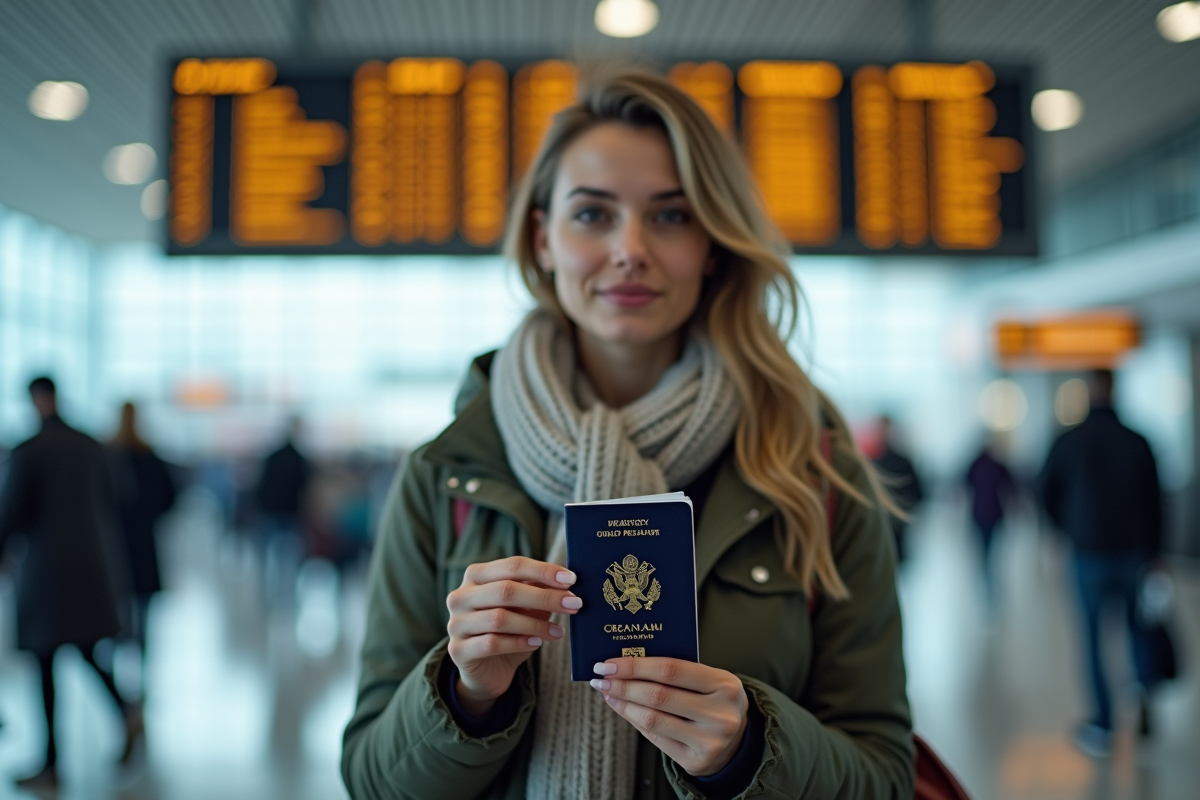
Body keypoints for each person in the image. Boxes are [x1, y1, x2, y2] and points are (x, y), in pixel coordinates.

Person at [341, 70, 913, 800]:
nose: (630, 249)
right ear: (543, 238)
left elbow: (885, 779)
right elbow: (370, 781)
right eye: (593, 215)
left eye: (671, 216)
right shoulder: (447, 473)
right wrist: (465, 696)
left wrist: (751, 750)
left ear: (712, 245)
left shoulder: (813, 472)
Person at [0, 377, 139, 788]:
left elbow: (13, 511)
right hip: (93, 568)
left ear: (36, 400)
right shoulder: (92, 445)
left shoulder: (30, 450)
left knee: (45, 662)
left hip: (46, 572)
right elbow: (120, 497)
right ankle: (126, 709)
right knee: (83, 647)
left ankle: (52, 763)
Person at [1037, 369, 1163, 758]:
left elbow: (1044, 491)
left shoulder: (1069, 440)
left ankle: (1104, 726)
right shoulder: (1138, 440)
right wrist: (1156, 553)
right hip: (1134, 553)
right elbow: (1156, 500)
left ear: (1088, 392)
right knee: (1138, 628)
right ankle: (1142, 688)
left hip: (1088, 553)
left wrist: (1065, 529)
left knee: (1092, 639)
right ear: (1115, 388)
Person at [109, 401, 178, 719]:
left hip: (115, 544)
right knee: (142, 613)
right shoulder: (149, 456)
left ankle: (120, 669)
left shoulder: (110, 455)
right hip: (143, 542)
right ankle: (140, 671)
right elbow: (171, 496)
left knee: (116, 610)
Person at [255, 416, 312, 608]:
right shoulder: (299, 458)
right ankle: (287, 596)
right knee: (288, 559)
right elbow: (306, 489)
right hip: (290, 514)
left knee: (268, 558)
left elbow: (261, 485)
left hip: (271, 513)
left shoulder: (273, 456)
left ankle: (267, 596)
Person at [964, 439, 1017, 610]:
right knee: (992, 552)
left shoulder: (974, 465)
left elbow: (964, 485)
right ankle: (991, 586)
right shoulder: (998, 465)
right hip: (995, 514)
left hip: (978, 515)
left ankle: (987, 586)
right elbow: (1011, 487)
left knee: (983, 552)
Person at [872, 415, 925, 563]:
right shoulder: (874, 462)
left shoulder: (902, 462)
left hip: (898, 521)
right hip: (881, 524)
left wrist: (904, 510)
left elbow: (918, 492)